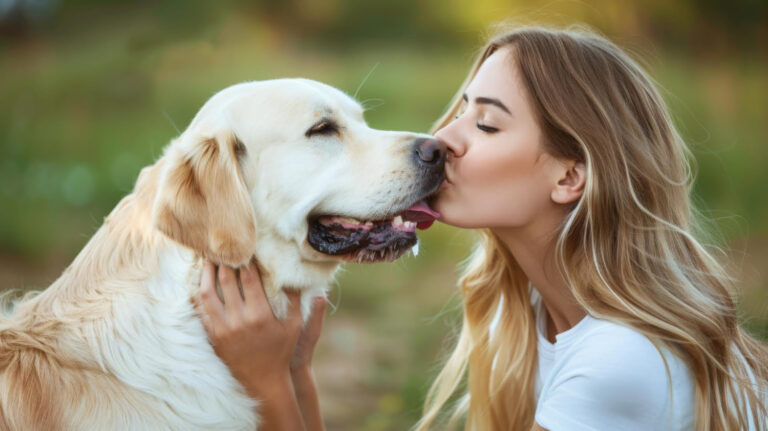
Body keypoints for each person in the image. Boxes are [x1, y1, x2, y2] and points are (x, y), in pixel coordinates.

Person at [196, 25, 768, 430]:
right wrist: (295, 372)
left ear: (570, 177)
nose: (443, 137)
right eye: (463, 108)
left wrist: (263, 383)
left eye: (487, 124)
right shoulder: (537, 314)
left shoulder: (619, 362)